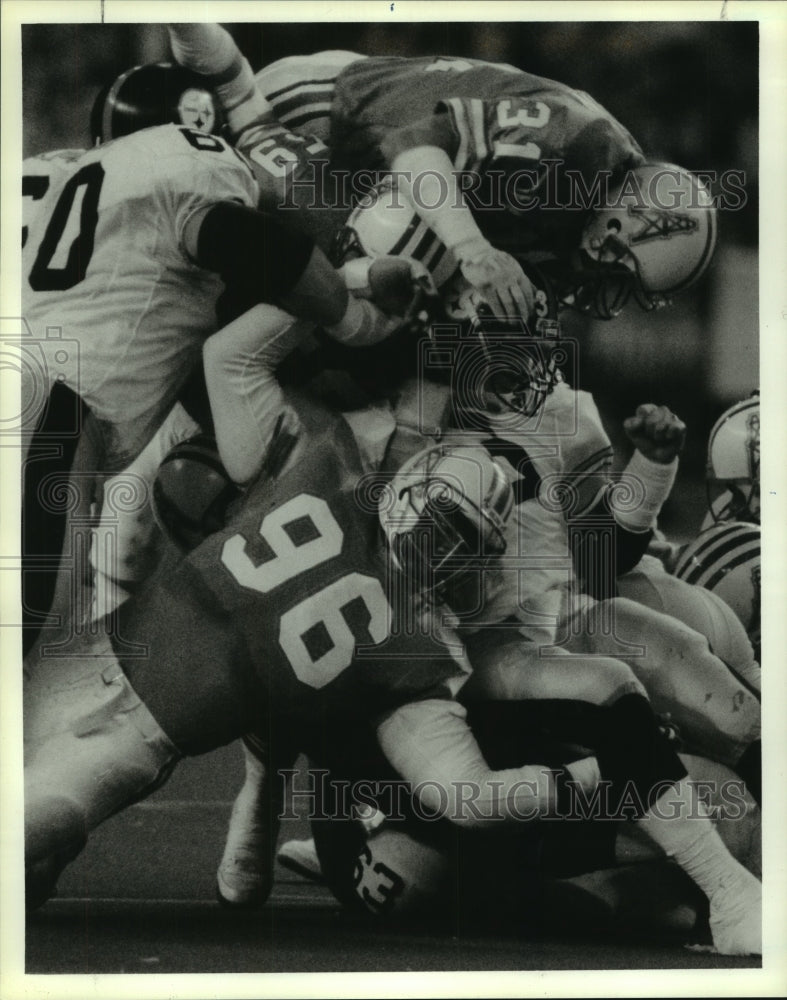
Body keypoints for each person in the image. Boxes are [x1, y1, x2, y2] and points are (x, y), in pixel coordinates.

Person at [167, 25, 717, 327]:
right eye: (621, 274)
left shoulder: (599, 181)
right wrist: (475, 251)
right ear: (619, 224)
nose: (608, 289)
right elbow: (412, 147)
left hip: (379, 166)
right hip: (335, 116)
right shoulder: (571, 147)